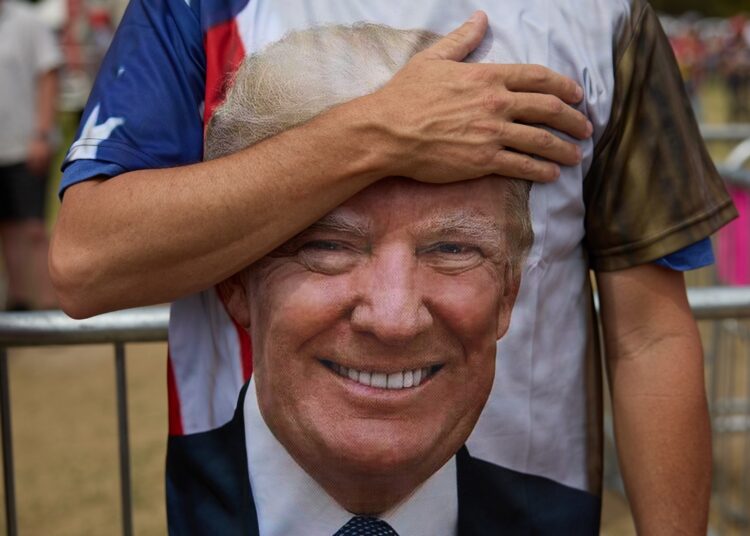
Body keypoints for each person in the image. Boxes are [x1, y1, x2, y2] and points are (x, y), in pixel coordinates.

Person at [50, 0, 736, 533]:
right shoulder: (201, 7)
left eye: (454, 247)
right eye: (323, 246)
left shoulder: (603, 14)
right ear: (237, 289)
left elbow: (649, 335)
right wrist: (379, 133)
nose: (394, 317)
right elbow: (87, 262)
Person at [0, 0, 61, 310]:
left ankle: (51, 304)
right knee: (7, 227)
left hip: (26, 146)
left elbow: (48, 76)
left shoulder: (27, 22)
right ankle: (19, 300)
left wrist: (41, 133)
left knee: (34, 228)